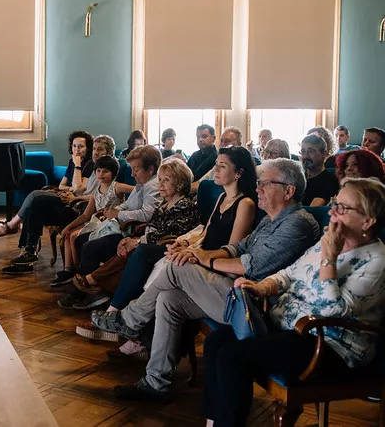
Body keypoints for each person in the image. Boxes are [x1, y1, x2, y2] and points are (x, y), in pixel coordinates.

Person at [91, 158, 320, 402]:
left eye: (265, 183)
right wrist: (196, 253)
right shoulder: (270, 219)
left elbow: (250, 266)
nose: (258, 187)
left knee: (175, 267)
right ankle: (156, 382)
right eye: (259, 182)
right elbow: (236, 248)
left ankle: (129, 319)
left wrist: (201, 259)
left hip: (255, 306)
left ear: (289, 190)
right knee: (169, 299)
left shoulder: (297, 224)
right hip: (235, 294)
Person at [203, 178, 385, 427]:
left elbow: (333, 310)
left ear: (368, 220)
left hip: (331, 344)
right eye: (335, 203)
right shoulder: (329, 242)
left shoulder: (377, 260)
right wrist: (261, 286)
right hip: (292, 327)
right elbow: (289, 273)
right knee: (216, 342)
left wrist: (329, 258)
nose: (332, 211)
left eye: (343, 208)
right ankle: (213, 423)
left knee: (234, 356)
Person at [84, 146, 257, 354]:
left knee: (157, 260)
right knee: (164, 276)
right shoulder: (221, 198)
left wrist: (195, 254)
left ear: (238, 173)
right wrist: (186, 244)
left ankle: (124, 319)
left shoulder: (245, 204)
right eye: (216, 165)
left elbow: (232, 249)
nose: (216, 170)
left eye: (222, 166)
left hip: (215, 268)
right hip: (200, 257)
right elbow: (205, 234)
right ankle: (135, 332)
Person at [70, 157, 200, 325]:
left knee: (136, 252)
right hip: (150, 242)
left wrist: (137, 241)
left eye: (166, 180)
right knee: (123, 249)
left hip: (169, 249)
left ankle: (98, 287)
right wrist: (134, 239)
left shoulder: (185, 207)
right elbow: (152, 229)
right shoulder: (164, 205)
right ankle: (103, 295)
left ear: (180, 185)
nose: (160, 184)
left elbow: (169, 235)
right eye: (159, 179)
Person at [57, 146, 161, 309]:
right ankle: (87, 288)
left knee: (90, 247)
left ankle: (92, 293)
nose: (132, 174)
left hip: (131, 232)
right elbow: (128, 204)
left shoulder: (153, 186)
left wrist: (118, 215)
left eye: (136, 169)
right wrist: (113, 211)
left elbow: (147, 214)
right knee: (81, 239)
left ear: (151, 169)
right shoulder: (142, 183)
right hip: (120, 226)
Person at [0, 133, 116, 272]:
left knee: (36, 197)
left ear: (109, 152)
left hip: (81, 210)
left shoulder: (109, 170)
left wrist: (75, 196)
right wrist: (71, 193)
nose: (95, 153)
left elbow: (97, 195)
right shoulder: (97, 167)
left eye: (100, 150)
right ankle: (27, 253)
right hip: (73, 202)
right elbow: (82, 188)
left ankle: (27, 249)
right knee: (35, 206)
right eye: (95, 149)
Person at [56, 155, 122, 282]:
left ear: (113, 173)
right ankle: (72, 269)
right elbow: (86, 215)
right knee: (70, 234)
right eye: (98, 171)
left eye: (105, 171)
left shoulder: (117, 187)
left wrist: (123, 209)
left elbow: (136, 190)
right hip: (96, 221)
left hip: (110, 225)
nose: (101, 174)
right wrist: (68, 227)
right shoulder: (96, 192)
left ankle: (79, 270)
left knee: (75, 237)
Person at [190, 127, 244, 194]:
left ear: (239, 144)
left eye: (227, 141)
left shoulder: (245, 163)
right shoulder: (218, 162)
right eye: (221, 141)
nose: (223, 145)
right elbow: (201, 182)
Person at [300, 134, 339, 206]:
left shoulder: (329, 180)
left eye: (311, 151)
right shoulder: (298, 177)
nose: (305, 156)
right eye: (303, 151)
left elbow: (313, 209)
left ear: (324, 153)